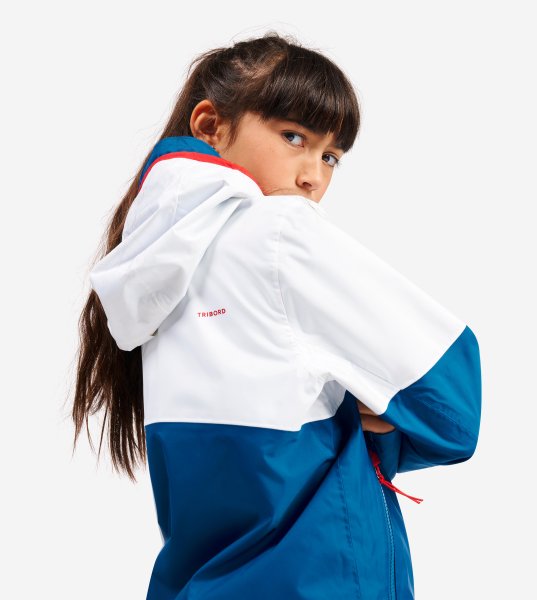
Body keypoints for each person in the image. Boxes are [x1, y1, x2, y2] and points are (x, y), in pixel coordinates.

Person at [71, 31, 482, 600]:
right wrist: (370, 409)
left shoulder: (149, 260)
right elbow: (455, 411)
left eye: (331, 156)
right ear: (211, 125)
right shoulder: (280, 231)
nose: (313, 176)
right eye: (294, 137)